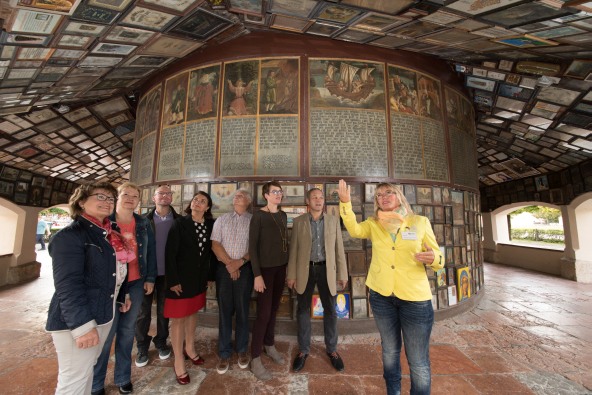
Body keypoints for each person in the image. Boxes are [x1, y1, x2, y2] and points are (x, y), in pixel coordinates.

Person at [337, 179, 443, 395]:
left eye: (388, 193)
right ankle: (392, 391)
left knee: (418, 359)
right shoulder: (373, 223)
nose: (383, 197)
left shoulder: (419, 222)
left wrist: (433, 257)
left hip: (414, 299)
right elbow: (355, 230)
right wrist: (345, 203)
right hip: (381, 295)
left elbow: (439, 259)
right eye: (379, 195)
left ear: (399, 196)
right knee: (390, 351)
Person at [46, 182, 130, 395]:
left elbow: (109, 273)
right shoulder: (70, 236)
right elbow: (68, 286)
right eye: (100, 196)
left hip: (101, 313)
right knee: (73, 382)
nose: (107, 201)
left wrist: (121, 295)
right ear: (81, 201)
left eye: (111, 198)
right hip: (77, 322)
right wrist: (82, 326)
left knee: (85, 375)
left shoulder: (106, 233)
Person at [92, 183, 157, 395]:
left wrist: (150, 278)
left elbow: (151, 252)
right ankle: (96, 383)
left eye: (135, 195)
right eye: (125, 194)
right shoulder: (104, 222)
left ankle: (122, 378)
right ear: (117, 198)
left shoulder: (143, 223)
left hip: (136, 282)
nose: (130, 198)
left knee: (127, 332)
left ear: (139, 200)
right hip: (110, 286)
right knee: (106, 335)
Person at [286, 188, 348, 373]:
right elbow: (294, 250)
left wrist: (342, 274)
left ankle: (332, 350)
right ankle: (303, 350)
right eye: (314, 197)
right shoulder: (299, 222)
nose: (318, 200)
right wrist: (291, 274)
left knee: (330, 310)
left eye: (321, 197)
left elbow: (339, 248)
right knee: (303, 310)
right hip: (305, 270)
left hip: (326, 270)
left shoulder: (332, 221)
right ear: (308, 201)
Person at [165, 192, 216, 385]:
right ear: (191, 203)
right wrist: (172, 280)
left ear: (207, 207)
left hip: (198, 280)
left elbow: (210, 254)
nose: (198, 202)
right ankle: (179, 361)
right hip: (179, 280)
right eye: (196, 199)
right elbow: (169, 253)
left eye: (203, 201)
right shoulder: (180, 223)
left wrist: (210, 276)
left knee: (192, 313)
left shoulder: (210, 225)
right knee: (178, 319)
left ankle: (191, 349)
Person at [135, 185, 181, 367]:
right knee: (142, 312)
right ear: (153, 198)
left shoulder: (179, 221)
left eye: (168, 193)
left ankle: (161, 342)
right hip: (146, 275)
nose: (164, 196)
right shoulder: (142, 220)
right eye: (160, 193)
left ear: (172, 198)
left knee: (164, 312)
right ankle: (142, 345)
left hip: (168, 275)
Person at [249, 181, 289, 381]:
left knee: (274, 310)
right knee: (263, 314)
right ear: (265, 195)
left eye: (280, 192)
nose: (278, 195)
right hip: (264, 271)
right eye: (274, 192)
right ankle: (255, 357)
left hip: (281, 268)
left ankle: (269, 345)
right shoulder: (258, 216)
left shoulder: (283, 215)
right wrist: (257, 274)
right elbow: (253, 247)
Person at [210, 189, 253, 375]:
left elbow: (256, 247)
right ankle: (225, 352)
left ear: (249, 201)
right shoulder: (221, 220)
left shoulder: (254, 220)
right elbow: (215, 244)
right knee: (225, 311)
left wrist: (239, 263)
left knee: (243, 310)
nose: (237, 196)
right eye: (235, 195)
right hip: (224, 269)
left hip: (245, 269)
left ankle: (242, 350)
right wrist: (230, 264)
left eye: (242, 195)